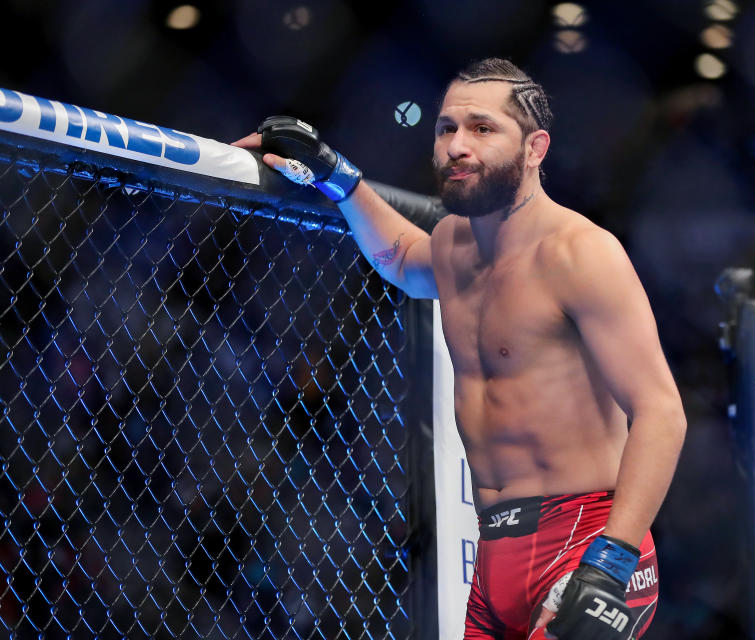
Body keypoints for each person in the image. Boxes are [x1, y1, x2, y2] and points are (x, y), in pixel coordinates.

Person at [233, 58, 686, 640]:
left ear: (534, 148)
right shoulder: (452, 243)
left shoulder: (579, 254)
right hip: (495, 551)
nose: (456, 145)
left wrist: (611, 562)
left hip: (587, 538)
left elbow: (661, 413)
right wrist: (335, 175)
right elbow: (402, 260)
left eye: (482, 128)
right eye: (447, 128)